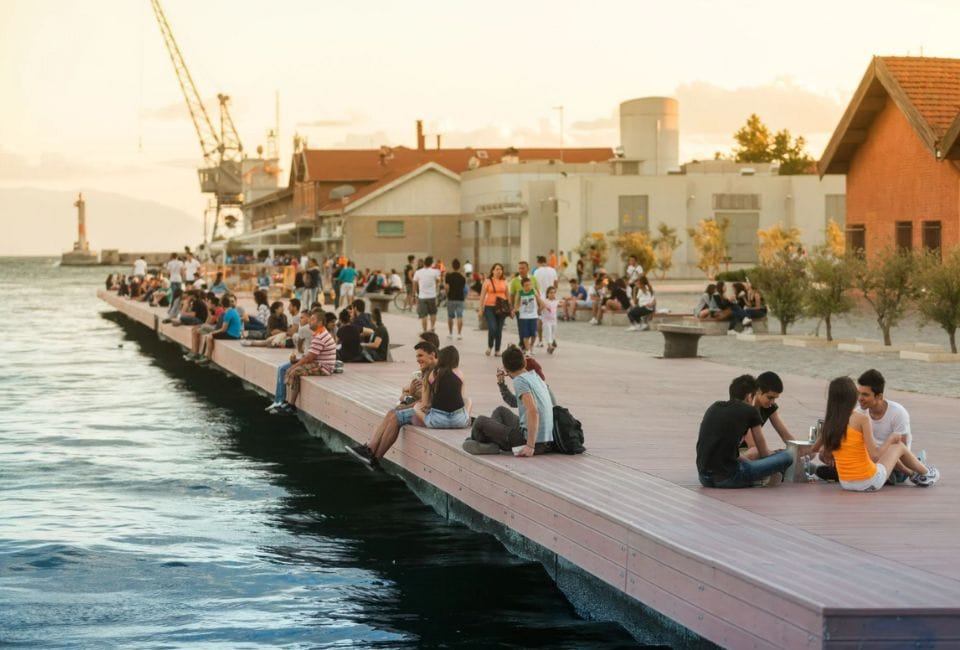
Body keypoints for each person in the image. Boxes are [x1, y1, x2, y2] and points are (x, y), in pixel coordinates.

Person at [808, 377, 938, 491]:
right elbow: (875, 455)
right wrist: (891, 439)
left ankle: (913, 472)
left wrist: (828, 452)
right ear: (853, 396)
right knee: (898, 446)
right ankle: (927, 473)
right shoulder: (861, 419)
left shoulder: (830, 422)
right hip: (869, 481)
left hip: (846, 483)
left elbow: (814, 449)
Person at [345, 341, 439, 467]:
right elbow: (417, 396)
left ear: (432, 354)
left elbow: (428, 403)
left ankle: (375, 458)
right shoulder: (427, 371)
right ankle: (369, 451)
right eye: (416, 356)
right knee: (392, 412)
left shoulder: (435, 374)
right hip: (426, 408)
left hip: (433, 413)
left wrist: (406, 405)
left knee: (395, 416)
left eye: (420, 356)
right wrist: (410, 394)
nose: (417, 359)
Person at [816, 369, 918, 483]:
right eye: (859, 393)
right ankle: (876, 477)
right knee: (823, 455)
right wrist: (829, 451)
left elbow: (900, 447)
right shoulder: (859, 413)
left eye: (865, 394)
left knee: (890, 467)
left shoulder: (898, 413)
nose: (860, 398)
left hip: (894, 463)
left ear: (879, 396)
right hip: (868, 461)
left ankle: (903, 471)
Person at [696, 374, 793, 488]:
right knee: (787, 456)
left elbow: (732, 452)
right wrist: (769, 464)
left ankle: (758, 476)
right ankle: (761, 478)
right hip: (730, 478)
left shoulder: (714, 406)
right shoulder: (750, 411)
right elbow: (763, 453)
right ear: (749, 396)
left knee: (751, 461)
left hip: (704, 478)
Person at [467, 346, 554, 456]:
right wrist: (501, 384)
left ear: (506, 368)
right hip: (544, 441)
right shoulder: (535, 377)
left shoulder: (520, 381)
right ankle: (492, 442)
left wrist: (530, 446)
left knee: (480, 421)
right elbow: (514, 402)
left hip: (531, 442)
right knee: (500, 411)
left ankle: (485, 443)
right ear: (524, 363)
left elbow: (533, 411)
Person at [281, 308, 337, 411]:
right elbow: (310, 357)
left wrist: (294, 365)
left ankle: (290, 405)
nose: (309, 322)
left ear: (320, 322)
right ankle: (289, 403)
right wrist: (296, 361)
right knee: (294, 370)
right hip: (318, 363)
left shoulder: (320, 336)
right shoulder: (320, 334)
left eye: (312, 320)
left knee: (294, 371)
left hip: (324, 367)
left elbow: (309, 358)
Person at [739, 371, 799, 460]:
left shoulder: (769, 407)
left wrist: (797, 448)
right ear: (758, 391)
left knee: (801, 450)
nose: (772, 402)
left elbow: (786, 436)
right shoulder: (746, 406)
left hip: (754, 450)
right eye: (770, 397)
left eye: (775, 398)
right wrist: (776, 454)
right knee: (756, 452)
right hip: (738, 451)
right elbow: (753, 445)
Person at [414, 345, 471, 429]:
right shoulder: (460, 373)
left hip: (437, 421)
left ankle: (428, 420)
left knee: (416, 407)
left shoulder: (433, 373)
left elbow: (424, 404)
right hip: (459, 421)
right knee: (468, 400)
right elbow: (461, 398)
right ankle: (466, 418)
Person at [197, 294, 243, 364]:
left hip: (232, 335)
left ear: (222, 305)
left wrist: (212, 333)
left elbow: (223, 329)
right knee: (210, 335)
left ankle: (208, 357)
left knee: (209, 337)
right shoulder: (233, 311)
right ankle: (205, 355)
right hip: (236, 334)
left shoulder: (227, 314)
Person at [477, 263, 511, 357]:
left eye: (500, 269)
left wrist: (510, 309)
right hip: (489, 307)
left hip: (502, 308)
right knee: (493, 327)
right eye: (497, 269)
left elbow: (508, 296)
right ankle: (490, 346)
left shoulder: (504, 282)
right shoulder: (487, 281)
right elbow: (482, 296)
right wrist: (480, 309)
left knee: (499, 329)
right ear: (492, 271)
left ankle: (497, 350)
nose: (499, 271)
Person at [532, 256, 558, 346]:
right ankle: (553, 338)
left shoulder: (536, 272)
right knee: (552, 319)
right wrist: (553, 294)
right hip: (551, 297)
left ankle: (540, 341)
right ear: (546, 261)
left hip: (541, 297)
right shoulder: (553, 270)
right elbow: (556, 284)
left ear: (538, 262)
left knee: (540, 320)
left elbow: (534, 286)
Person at [413, 255, 442, 333]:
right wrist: (434, 286)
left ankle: (424, 331)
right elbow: (439, 281)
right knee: (433, 313)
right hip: (432, 296)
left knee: (424, 316)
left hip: (422, 296)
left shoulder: (418, 272)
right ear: (431, 263)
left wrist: (414, 294)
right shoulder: (435, 272)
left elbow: (414, 283)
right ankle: (432, 327)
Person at [514, 276, 543, 355]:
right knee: (525, 335)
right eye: (526, 285)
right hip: (523, 317)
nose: (528, 287)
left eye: (529, 285)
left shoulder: (533, 291)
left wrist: (540, 309)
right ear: (523, 286)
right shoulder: (520, 292)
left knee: (534, 334)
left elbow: (540, 301)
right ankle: (527, 350)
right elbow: (516, 303)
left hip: (533, 316)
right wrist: (515, 310)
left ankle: (532, 346)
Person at [444, 259, 467, 340]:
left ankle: (450, 333)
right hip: (460, 298)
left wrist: (447, 295)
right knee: (460, 316)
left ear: (452, 266)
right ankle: (459, 334)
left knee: (450, 317)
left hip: (451, 298)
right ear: (459, 266)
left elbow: (446, 287)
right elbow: (464, 289)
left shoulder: (448, 276)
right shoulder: (462, 277)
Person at [540, 286, 559, 354]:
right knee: (548, 333)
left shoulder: (556, 301)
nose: (552, 294)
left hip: (554, 321)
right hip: (546, 320)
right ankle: (550, 346)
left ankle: (549, 347)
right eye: (551, 293)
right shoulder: (544, 301)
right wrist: (543, 307)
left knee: (553, 334)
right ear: (547, 294)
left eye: (554, 293)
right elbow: (539, 310)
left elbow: (559, 305)